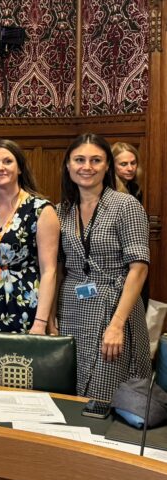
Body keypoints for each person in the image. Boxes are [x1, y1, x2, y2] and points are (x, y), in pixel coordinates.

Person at [56, 133, 151, 402]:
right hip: (72, 308)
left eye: (96, 160)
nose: (87, 166)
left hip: (114, 306)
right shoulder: (62, 210)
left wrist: (117, 325)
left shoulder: (125, 205)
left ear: (107, 165)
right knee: (70, 395)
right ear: (68, 165)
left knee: (106, 394)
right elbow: (58, 268)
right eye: (80, 160)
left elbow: (139, 269)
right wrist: (51, 317)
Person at [0, 140, 59, 334]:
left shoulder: (41, 210)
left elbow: (49, 271)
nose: (0, 168)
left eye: (7, 161)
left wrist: (41, 322)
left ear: (19, 168)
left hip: (22, 304)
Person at [111, 141, 148, 309]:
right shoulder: (110, 189)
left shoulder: (134, 188)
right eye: (123, 164)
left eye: (133, 163)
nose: (130, 168)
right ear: (112, 165)